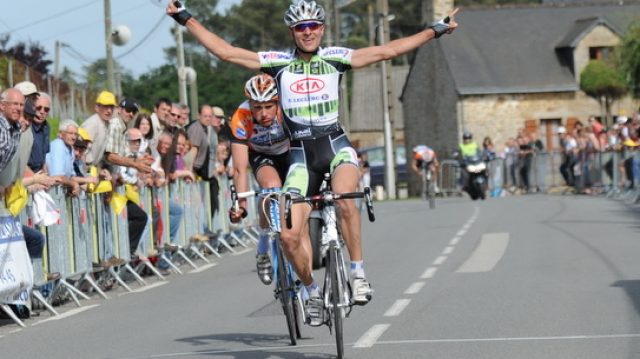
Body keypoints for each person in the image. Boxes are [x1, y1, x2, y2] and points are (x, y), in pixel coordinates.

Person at [166, 0, 459, 325]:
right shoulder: (277, 63)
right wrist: (184, 17)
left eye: (313, 26)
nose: (308, 32)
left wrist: (435, 30)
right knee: (290, 236)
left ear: (322, 27)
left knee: (346, 198)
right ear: (292, 31)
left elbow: (386, 51)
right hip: (300, 154)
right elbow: (226, 52)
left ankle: (358, 272)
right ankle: (309, 291)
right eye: (301, 28)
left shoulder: (336, 58)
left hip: (334, 143)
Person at [228, 74, 289, 286]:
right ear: (250, 105)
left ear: (277, 103)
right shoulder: (241, 117)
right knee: (270, 187)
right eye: (257, 107)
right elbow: (239, 167)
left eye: (268, 106)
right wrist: (241, 204)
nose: (262, 114)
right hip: (261, 155)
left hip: (288, 152)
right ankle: (263, 246)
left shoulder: (287, 109)